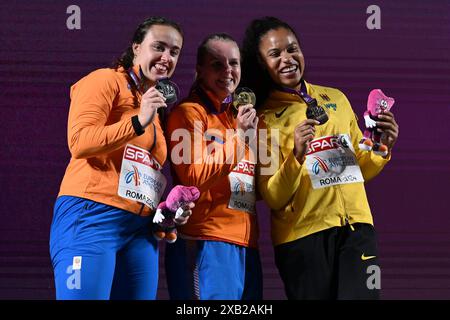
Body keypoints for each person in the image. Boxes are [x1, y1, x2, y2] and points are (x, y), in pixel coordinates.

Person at [240, 16, 399, 300]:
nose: (287, 59)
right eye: (275, 54)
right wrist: (297, 156)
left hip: (357, 230)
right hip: (302, 239)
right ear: (261, 63)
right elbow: (273, 196)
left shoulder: (336, 98)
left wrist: (381, 147)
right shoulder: (262, 120)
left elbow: (360, 167)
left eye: (292, 49)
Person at [49, 16, 194, 300]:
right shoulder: (104, 80)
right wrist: (138, 122)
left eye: (174, 52)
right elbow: (79, 142)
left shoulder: (153, 104)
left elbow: (138, 172)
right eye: (159, 47)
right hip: (90, 215)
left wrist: (164, 214)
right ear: (137, 47)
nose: (167, 57)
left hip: (140, 231)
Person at [164, 33, 262, 300]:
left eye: (234, 63)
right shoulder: (187, 113)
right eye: (217, 64)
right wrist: (240, 137)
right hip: (206, 238)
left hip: (246, 241)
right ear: (199, 70)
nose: (228, 71)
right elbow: (194, 177)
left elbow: (260, 186)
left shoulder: (241, 117)